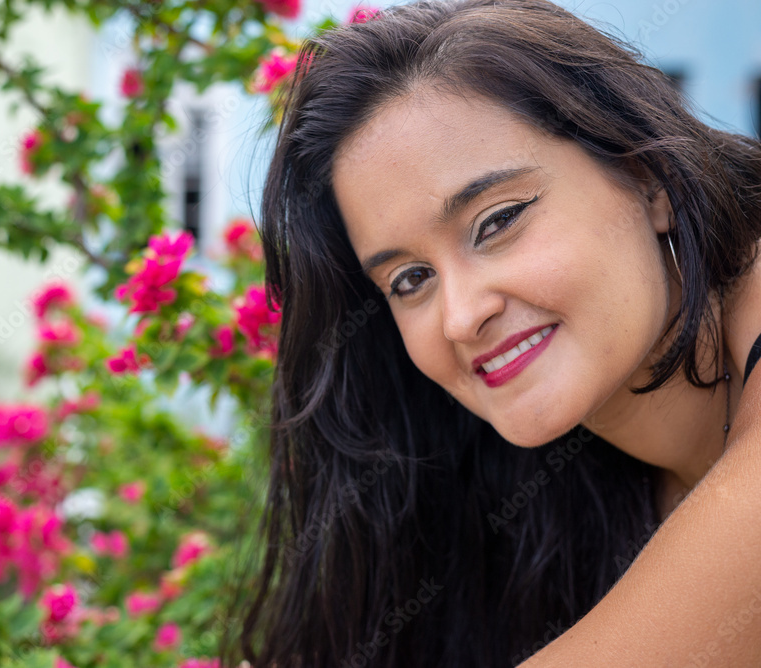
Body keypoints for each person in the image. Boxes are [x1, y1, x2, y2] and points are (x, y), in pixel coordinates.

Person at [232, 0, 761, 666]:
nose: (460, 315)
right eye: (409, 280)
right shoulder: (536, 506)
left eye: (498, 221)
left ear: (645, 177)